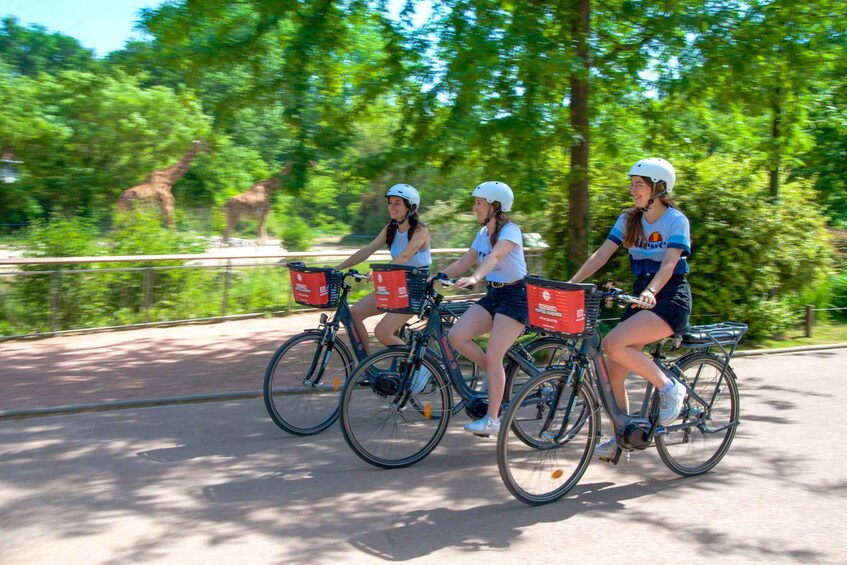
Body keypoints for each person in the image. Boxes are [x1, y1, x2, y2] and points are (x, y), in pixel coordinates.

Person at [568, 158, 691, 460]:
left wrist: (651, 291)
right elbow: (602, 254)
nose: (632, 190)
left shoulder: (676, 220)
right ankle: (621, 436)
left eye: (639, 185)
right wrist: (572, 282)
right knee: (612, 373)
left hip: (670, 297)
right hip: (641, 298)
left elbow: (669, 264)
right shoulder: (629, 219)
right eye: (632, 184)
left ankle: (670, 387)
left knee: (612, 343)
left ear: (659, 188)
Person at [438, 181, 528, 435]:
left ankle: (492, 421)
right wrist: (437, 276)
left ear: (494, 205)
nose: (474, 207)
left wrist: (476, 278)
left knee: (493, 354)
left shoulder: (510, 230)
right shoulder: (481, 234)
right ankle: (497, 374)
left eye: (479, 203)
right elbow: (465, 260)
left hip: (515, 297)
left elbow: (495, 256)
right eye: (475, 202)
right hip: (493, 294)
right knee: (457, 336)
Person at [335, 184, 431, 355]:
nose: (391, 207)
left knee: (383, 332)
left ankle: (421, 369)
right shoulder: (391, 228)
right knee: (354, 314)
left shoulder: (420, 230)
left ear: (410, 207)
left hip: (414, 288)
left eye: (397, 203)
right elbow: (367, 250)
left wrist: (380, 271)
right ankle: (366, 367)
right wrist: (337, 268)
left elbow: (404, 257)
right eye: (390, 202)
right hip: (394, 284)